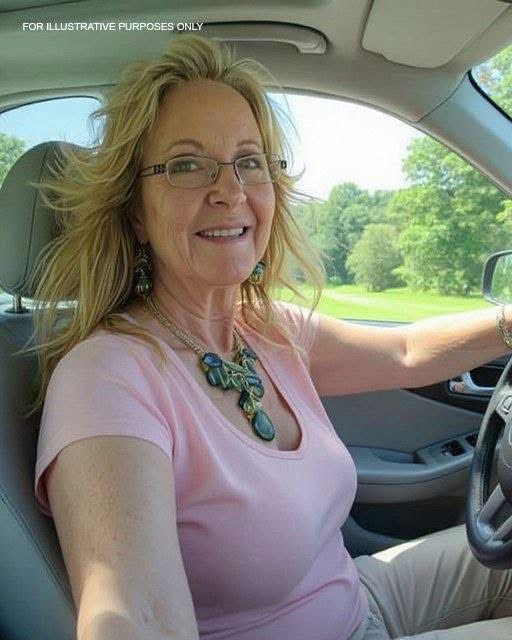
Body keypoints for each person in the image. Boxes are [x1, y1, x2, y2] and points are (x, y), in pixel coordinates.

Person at [28, 34, 512, 640]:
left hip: (359, 598)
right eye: (186, 165)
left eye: (249, 161)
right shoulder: (106, 379)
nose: (230, 191)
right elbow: (134, 615)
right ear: (135, 212)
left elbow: (406, 352)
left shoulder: (266, 329)